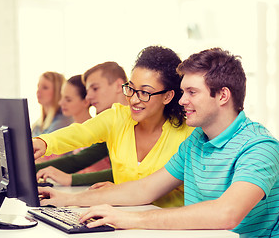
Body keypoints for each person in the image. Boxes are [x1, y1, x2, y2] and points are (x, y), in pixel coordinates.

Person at [37, 48, 279, 237]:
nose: (182, 100)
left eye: (192, 92)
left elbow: (227, 213)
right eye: (183, 92)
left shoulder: (260, 147)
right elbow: (145, 189)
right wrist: (67, 200)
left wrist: (132, 219)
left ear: (223, 95)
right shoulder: (196, 141)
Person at [33, 46, 194, 208]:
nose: (134, 99)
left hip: (167, 228)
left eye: (145, 93)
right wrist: (44, 143)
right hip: (123, 222)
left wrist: (117, 191)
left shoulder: (188, 134)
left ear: (167, 96)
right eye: (131, 88)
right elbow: (81, 132)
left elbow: (146, 190)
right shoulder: (117, 118)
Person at [34, 61, 128, 186]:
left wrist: (71, 179)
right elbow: (80, 156)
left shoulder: (135, 121)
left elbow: (124, 174)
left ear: (118, 85)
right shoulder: (111, 120)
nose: (88, 97)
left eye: (95, 88)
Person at [0, 71, 73, 171]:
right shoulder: (39, 123)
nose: (38, 91)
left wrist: (8, 165)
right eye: (38, 86)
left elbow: (42, 158)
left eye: (45, 87)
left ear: (57, 92)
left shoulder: (62, 122)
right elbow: (20, 150)